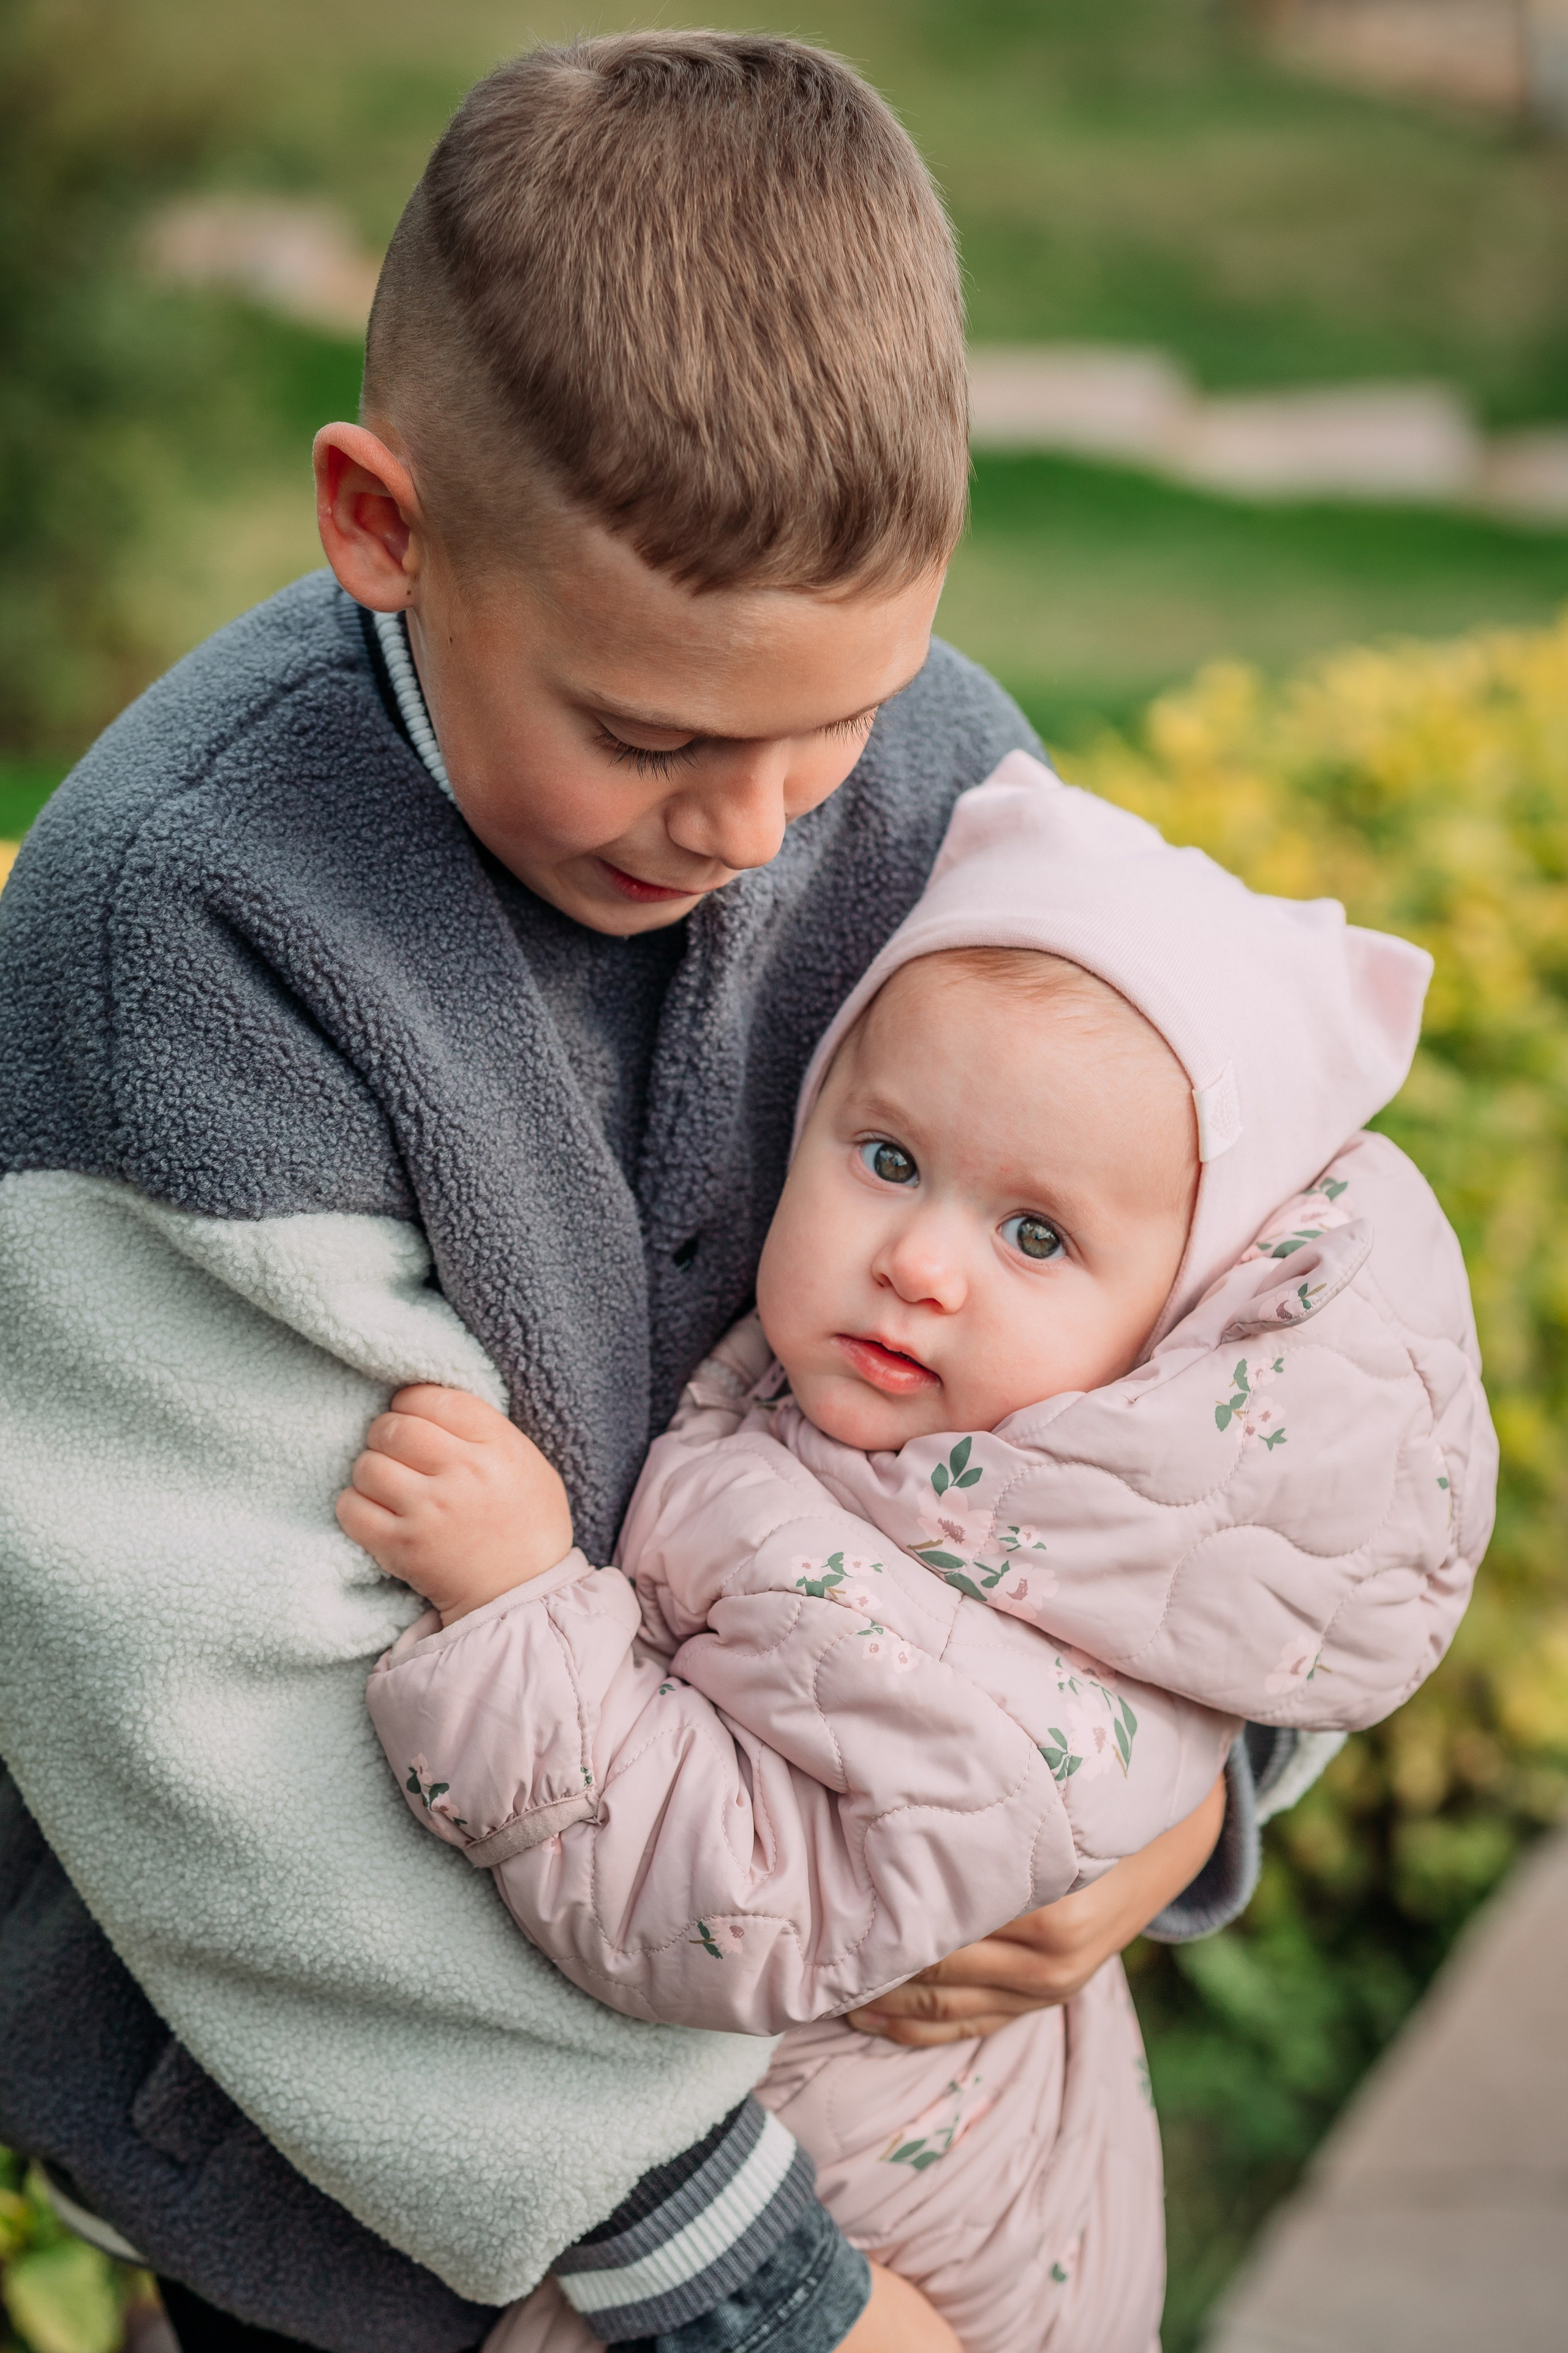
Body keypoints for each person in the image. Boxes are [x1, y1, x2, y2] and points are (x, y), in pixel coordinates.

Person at [0, 32, 1414, 2353]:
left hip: (905, 2076)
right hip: (399, 2219)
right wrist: (768, 2296)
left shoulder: (942, 762)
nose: (759, 832)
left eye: (830, 726)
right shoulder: (182, 944)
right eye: (649, 736)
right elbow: (246, 1767)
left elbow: (1250, 1299)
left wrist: (1186, 1792)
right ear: (383, 520)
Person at [356, 766, 1495, 2352]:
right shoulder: (935, 1486)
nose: (921, 1261)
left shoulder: (990, 1616)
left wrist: (514, 1607)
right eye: (886, 1159)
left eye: (1038, 1236)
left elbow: (716, 1896)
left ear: (1163, 1332)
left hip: (879, 2288)